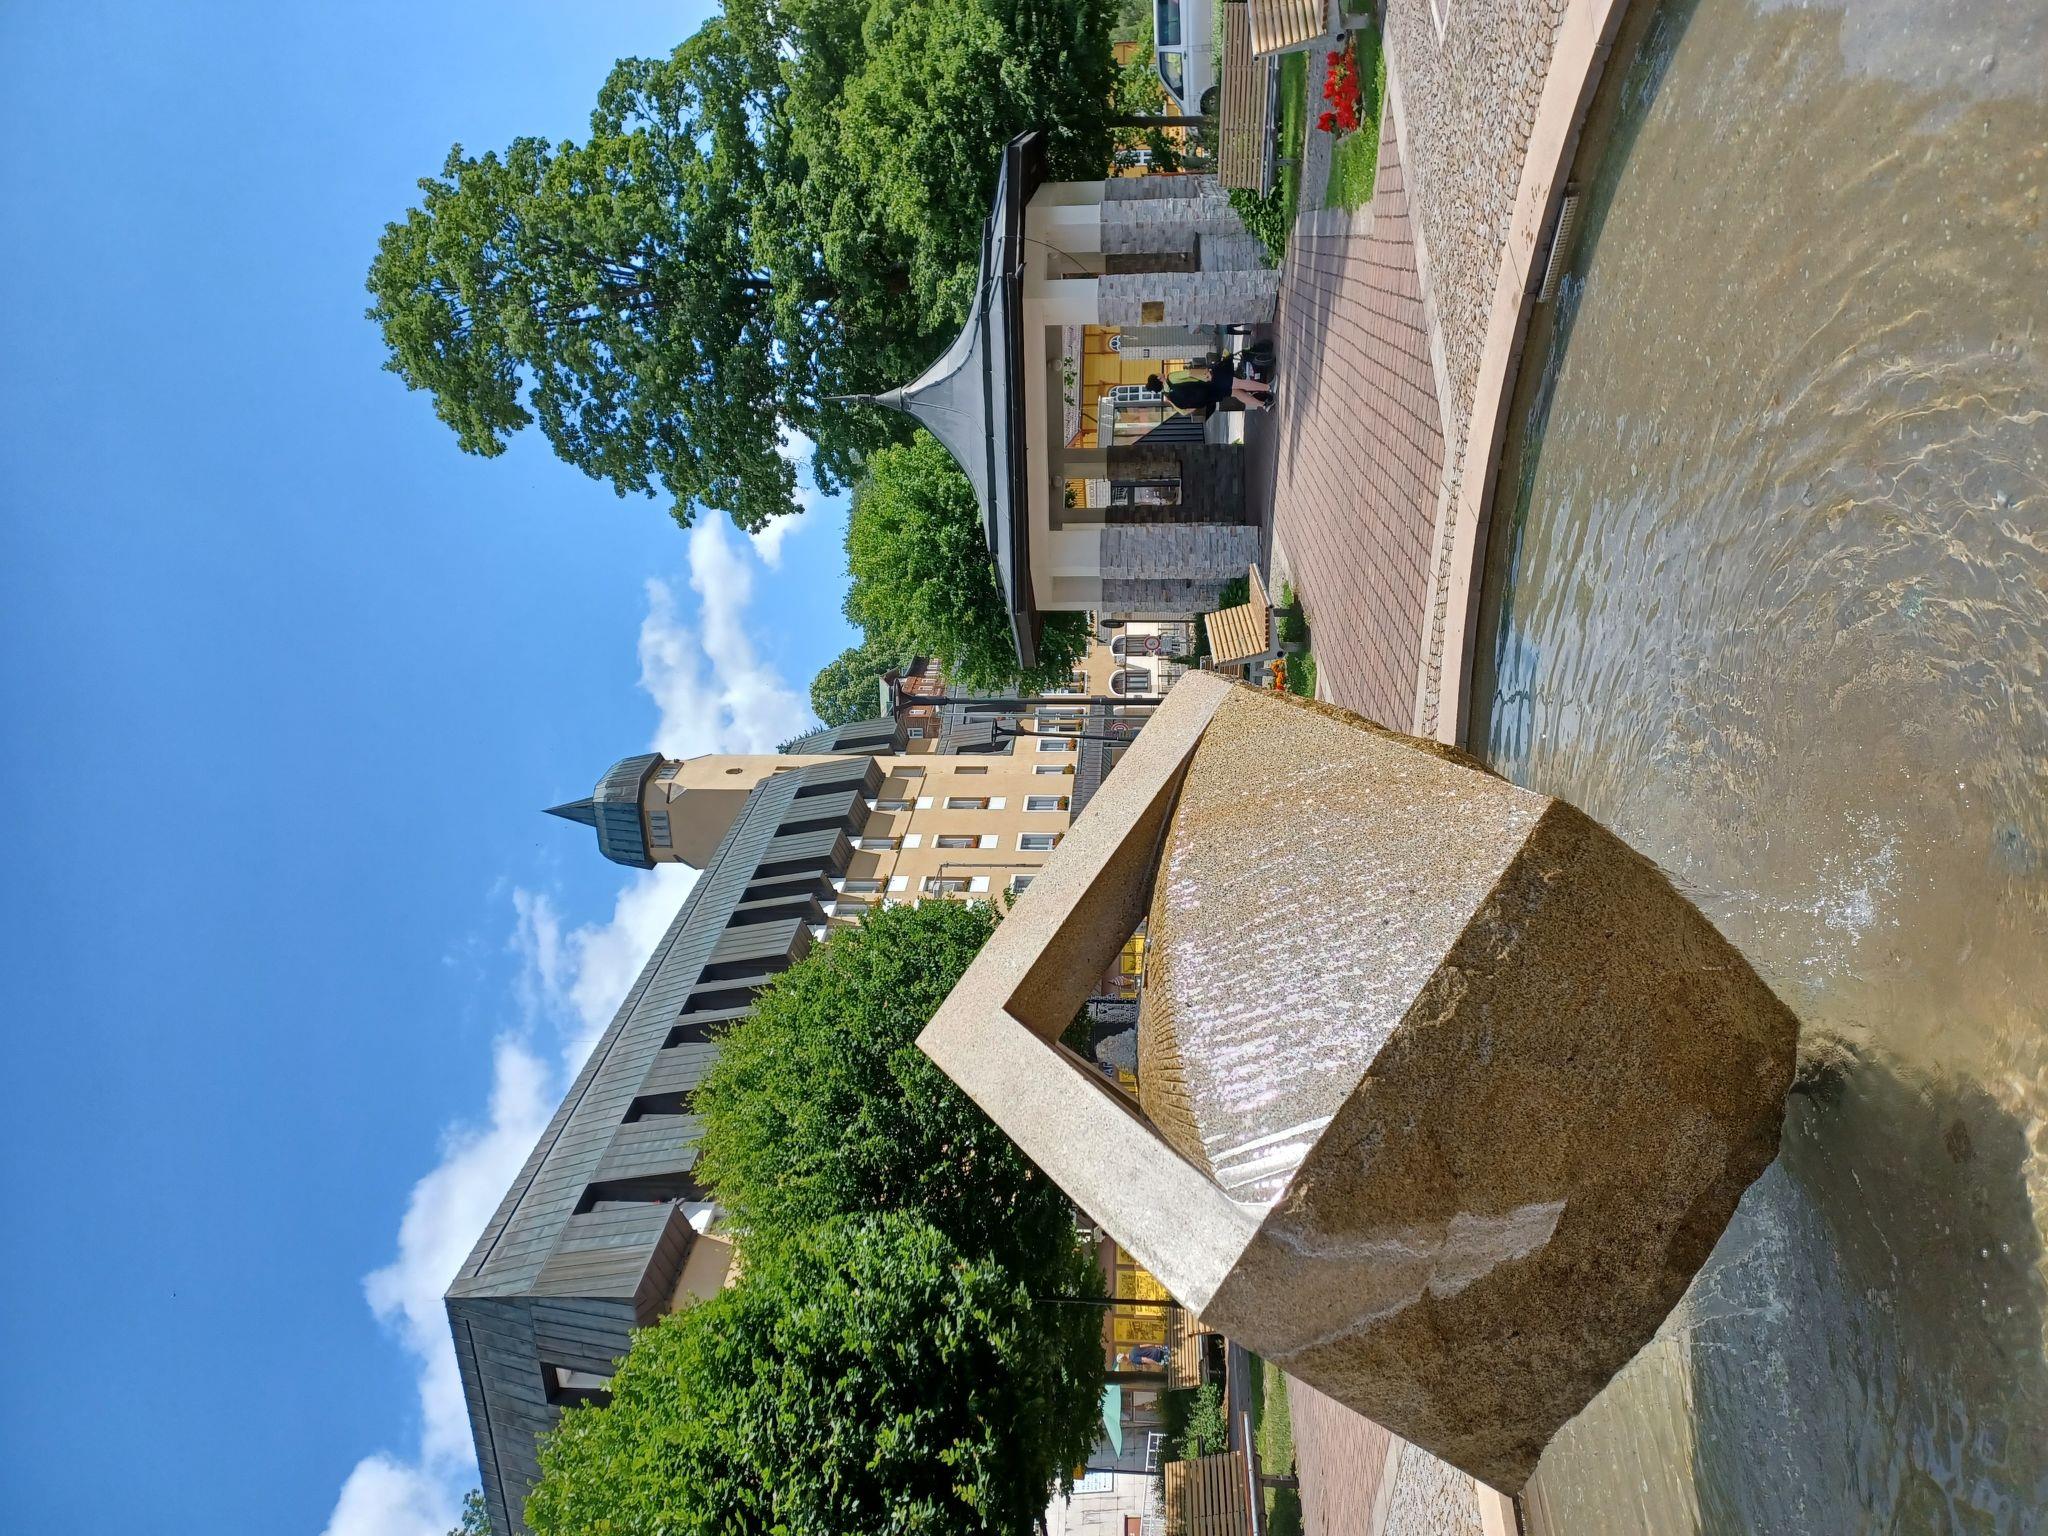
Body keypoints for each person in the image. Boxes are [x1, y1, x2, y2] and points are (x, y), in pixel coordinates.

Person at [1148, 362, 1273, 416]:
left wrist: (1199, 398)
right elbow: (1190, 373)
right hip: (1209, 382)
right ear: (1158, 378)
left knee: (1235, 393)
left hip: (1210, 397)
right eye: (1157, 374)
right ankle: (1269, 387)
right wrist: (1206, 373)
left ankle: (1263, 405)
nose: (1159, 373)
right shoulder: (1171, 378)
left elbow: (1184, 412)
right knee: (1238, 383)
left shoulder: (1169, 397)